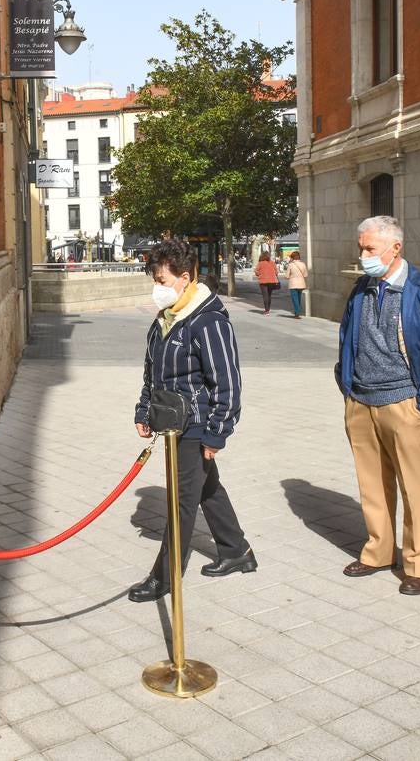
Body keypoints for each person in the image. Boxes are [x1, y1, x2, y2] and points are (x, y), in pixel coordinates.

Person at [335, 216, 420, 595]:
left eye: (369, 248)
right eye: (361, 247)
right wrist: (346, 381)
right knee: (372, 485)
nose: (363, 255)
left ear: (395, 248)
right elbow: (347, 336)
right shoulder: (361, 288)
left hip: (404, 403)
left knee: (415, 488)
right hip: (361, 400)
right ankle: (378, 552)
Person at [130, 240, 256, 601]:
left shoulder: (209, 320)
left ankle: (164, 577)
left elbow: (227, 382)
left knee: (181, 501)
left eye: (162, 278)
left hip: (196, 425)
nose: (157, 286)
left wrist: (217, 433)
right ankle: (236, 551)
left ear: (185, 278)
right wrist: (144, 410)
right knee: (206, 487)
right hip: (169, 420)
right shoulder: (165, 319)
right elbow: (152, 371)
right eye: (154, 278)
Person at [285, 250, 309, 318]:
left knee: (295, 299)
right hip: (301, 284)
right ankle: (297, 312)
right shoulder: (303, 264)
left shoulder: (291, 265)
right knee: (298, 298)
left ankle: (297, 312)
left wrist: (290, 276)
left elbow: (287, 276)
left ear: (292, 258)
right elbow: (305, 275)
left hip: (293, 284)